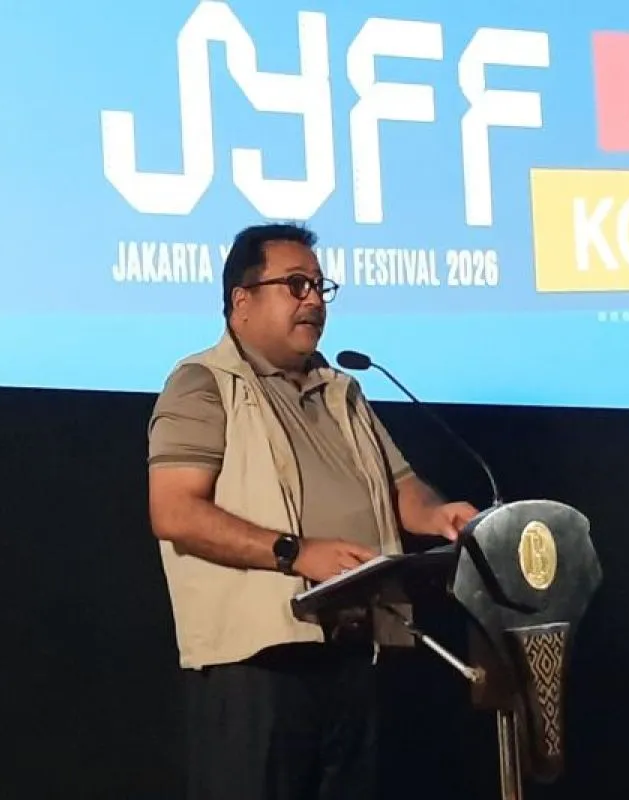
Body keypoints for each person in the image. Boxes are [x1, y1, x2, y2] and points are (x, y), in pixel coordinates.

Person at [147, 222, 479, 800]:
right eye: (296, 285)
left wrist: (437, 515)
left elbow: (401, 486)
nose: (314, 301)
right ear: (242, 301)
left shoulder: (341, 389)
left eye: (321, 287)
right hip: (259, 665)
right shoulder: (203, 384)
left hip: (353, 653)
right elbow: (174, 512)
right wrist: (296, 553)